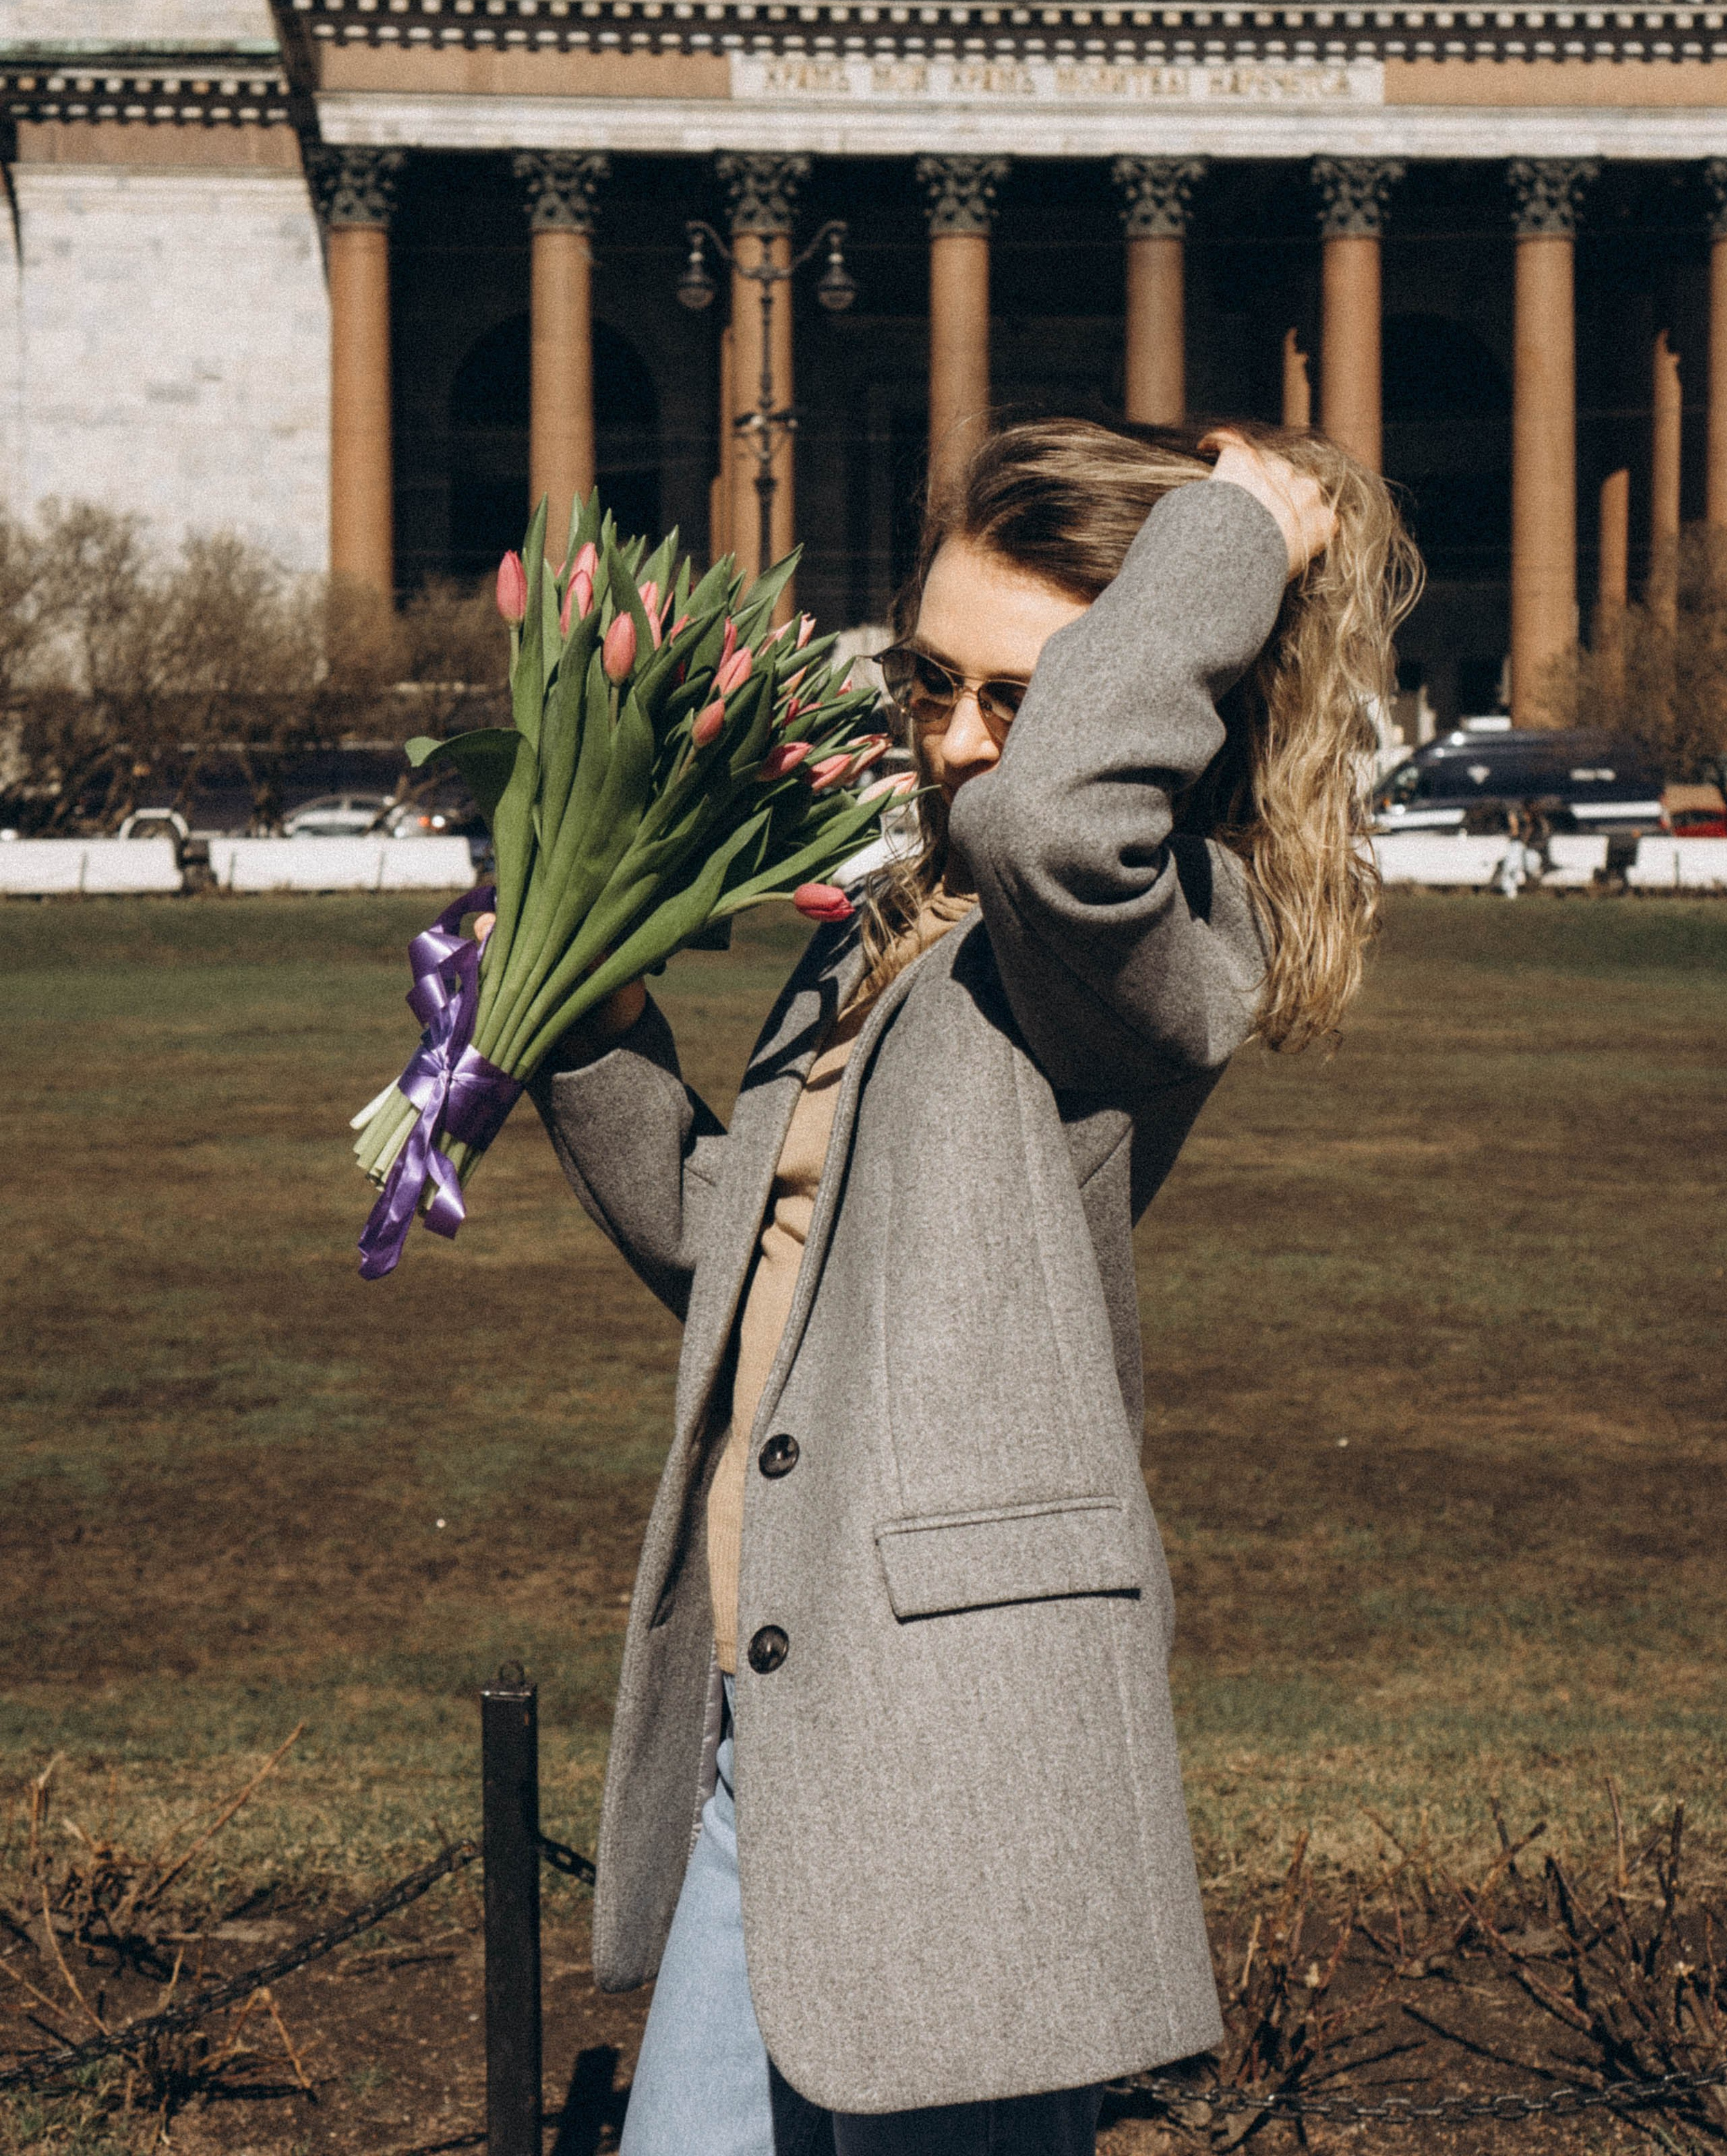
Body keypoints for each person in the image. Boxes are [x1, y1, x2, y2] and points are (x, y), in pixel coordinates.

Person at [525, 417, 1421, 2152]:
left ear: (1178, 689)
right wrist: (593, 1022)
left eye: (1014, 697)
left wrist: (1235, 534)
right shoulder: (890, 934)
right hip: (768, 1729)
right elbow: (738, 1257)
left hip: (964, 1754)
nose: (950, 745)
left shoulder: (1142, 943)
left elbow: (1059, 821)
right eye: (928, 684)